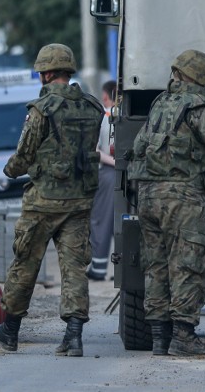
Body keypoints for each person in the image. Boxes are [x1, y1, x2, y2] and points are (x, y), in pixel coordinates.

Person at [0, 43, 104, 357]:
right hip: (79, 201)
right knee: (74, 269)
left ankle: (9, 331)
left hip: (43, 201)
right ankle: (74, 336)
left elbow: (24, 155)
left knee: (25, 263)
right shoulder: (93, 107)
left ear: (46, 73)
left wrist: (10, 170)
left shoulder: (42, 109)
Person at [129, 49, 205, 356]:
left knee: (156, 267)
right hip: (181, 198)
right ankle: (184, 336)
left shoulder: (159, 104)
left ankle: (159, 338)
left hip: (149, 197)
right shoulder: (197, 107)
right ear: (200, 79)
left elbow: (138, 145)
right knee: (187, 265)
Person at [87, 80, 117, 281]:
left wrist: (113, 162)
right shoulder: (132, 115)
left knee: (101, 221)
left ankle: (98, 268)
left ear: (105, 97)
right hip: (134, 174)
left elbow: (95, 150)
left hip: (108, 173)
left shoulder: (104, 118)